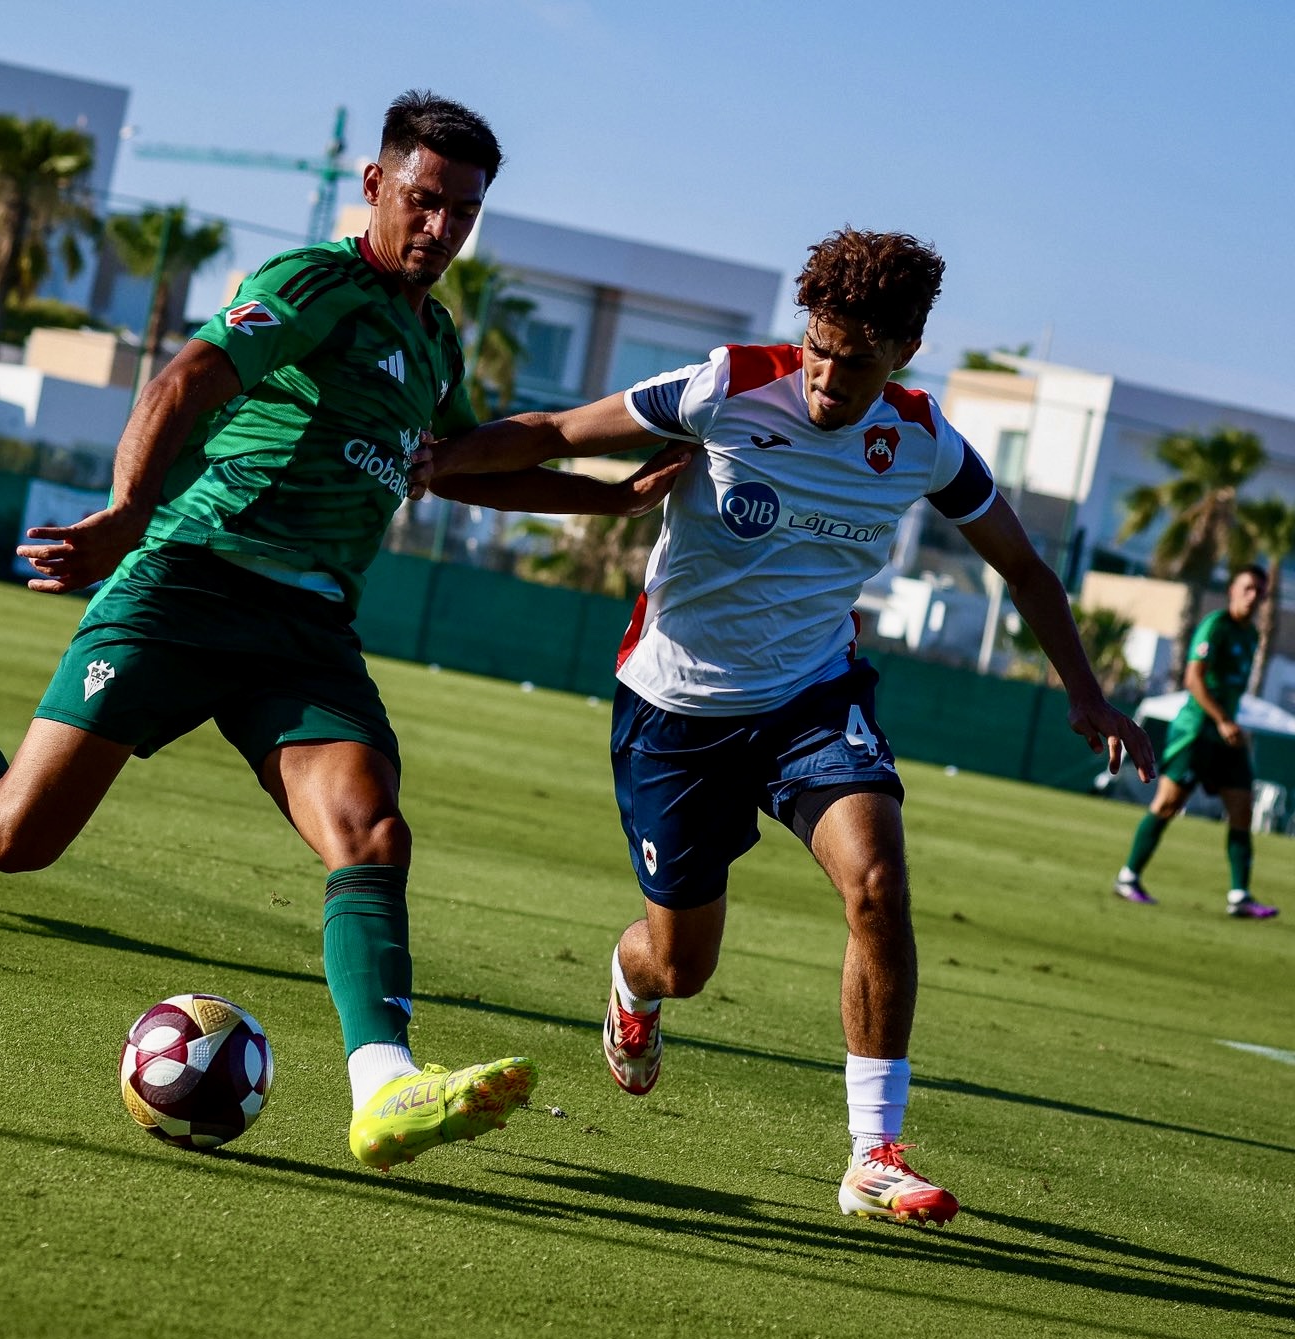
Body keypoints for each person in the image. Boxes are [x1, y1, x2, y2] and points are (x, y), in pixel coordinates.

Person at [0, 93, 674, 1171]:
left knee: (371, 833)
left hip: (306, 629)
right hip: (191, 582)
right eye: (425, 199)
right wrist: (126, 512)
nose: (442, 227)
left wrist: (616, 498)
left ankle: (384, 1086)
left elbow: (454, 465)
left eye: (464, 212)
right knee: (10, 841)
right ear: (375, 186)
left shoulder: (434, 340)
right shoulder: (313, 283)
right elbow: (187, 377)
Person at [428, 228, 1155, 1225]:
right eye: (817, 349)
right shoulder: (725, 385)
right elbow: (556, 432)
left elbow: (1024, 568)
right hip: (676, 710)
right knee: (682, 965)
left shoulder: (922, 441)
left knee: (877, 882)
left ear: (903, 353)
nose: (825, 379)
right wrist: (438, 461)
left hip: (810, 697)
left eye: (854, 363)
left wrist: (1085, 693)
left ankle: (873, 1153)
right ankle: (633, 985)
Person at [1113, 568, 1278, 917]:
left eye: (1260, 592)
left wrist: (1229, 724)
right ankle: (1128, 877)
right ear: (1232, 590)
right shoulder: (1215, 626)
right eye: (1248, 588)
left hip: (1227, 736)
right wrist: (1222, 720)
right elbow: (1193, 679)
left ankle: (1240, 896)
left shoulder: (1251, 636)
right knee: (1168, 804)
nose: (1253, 597)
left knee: (1242, 809)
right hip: (1196, 732)